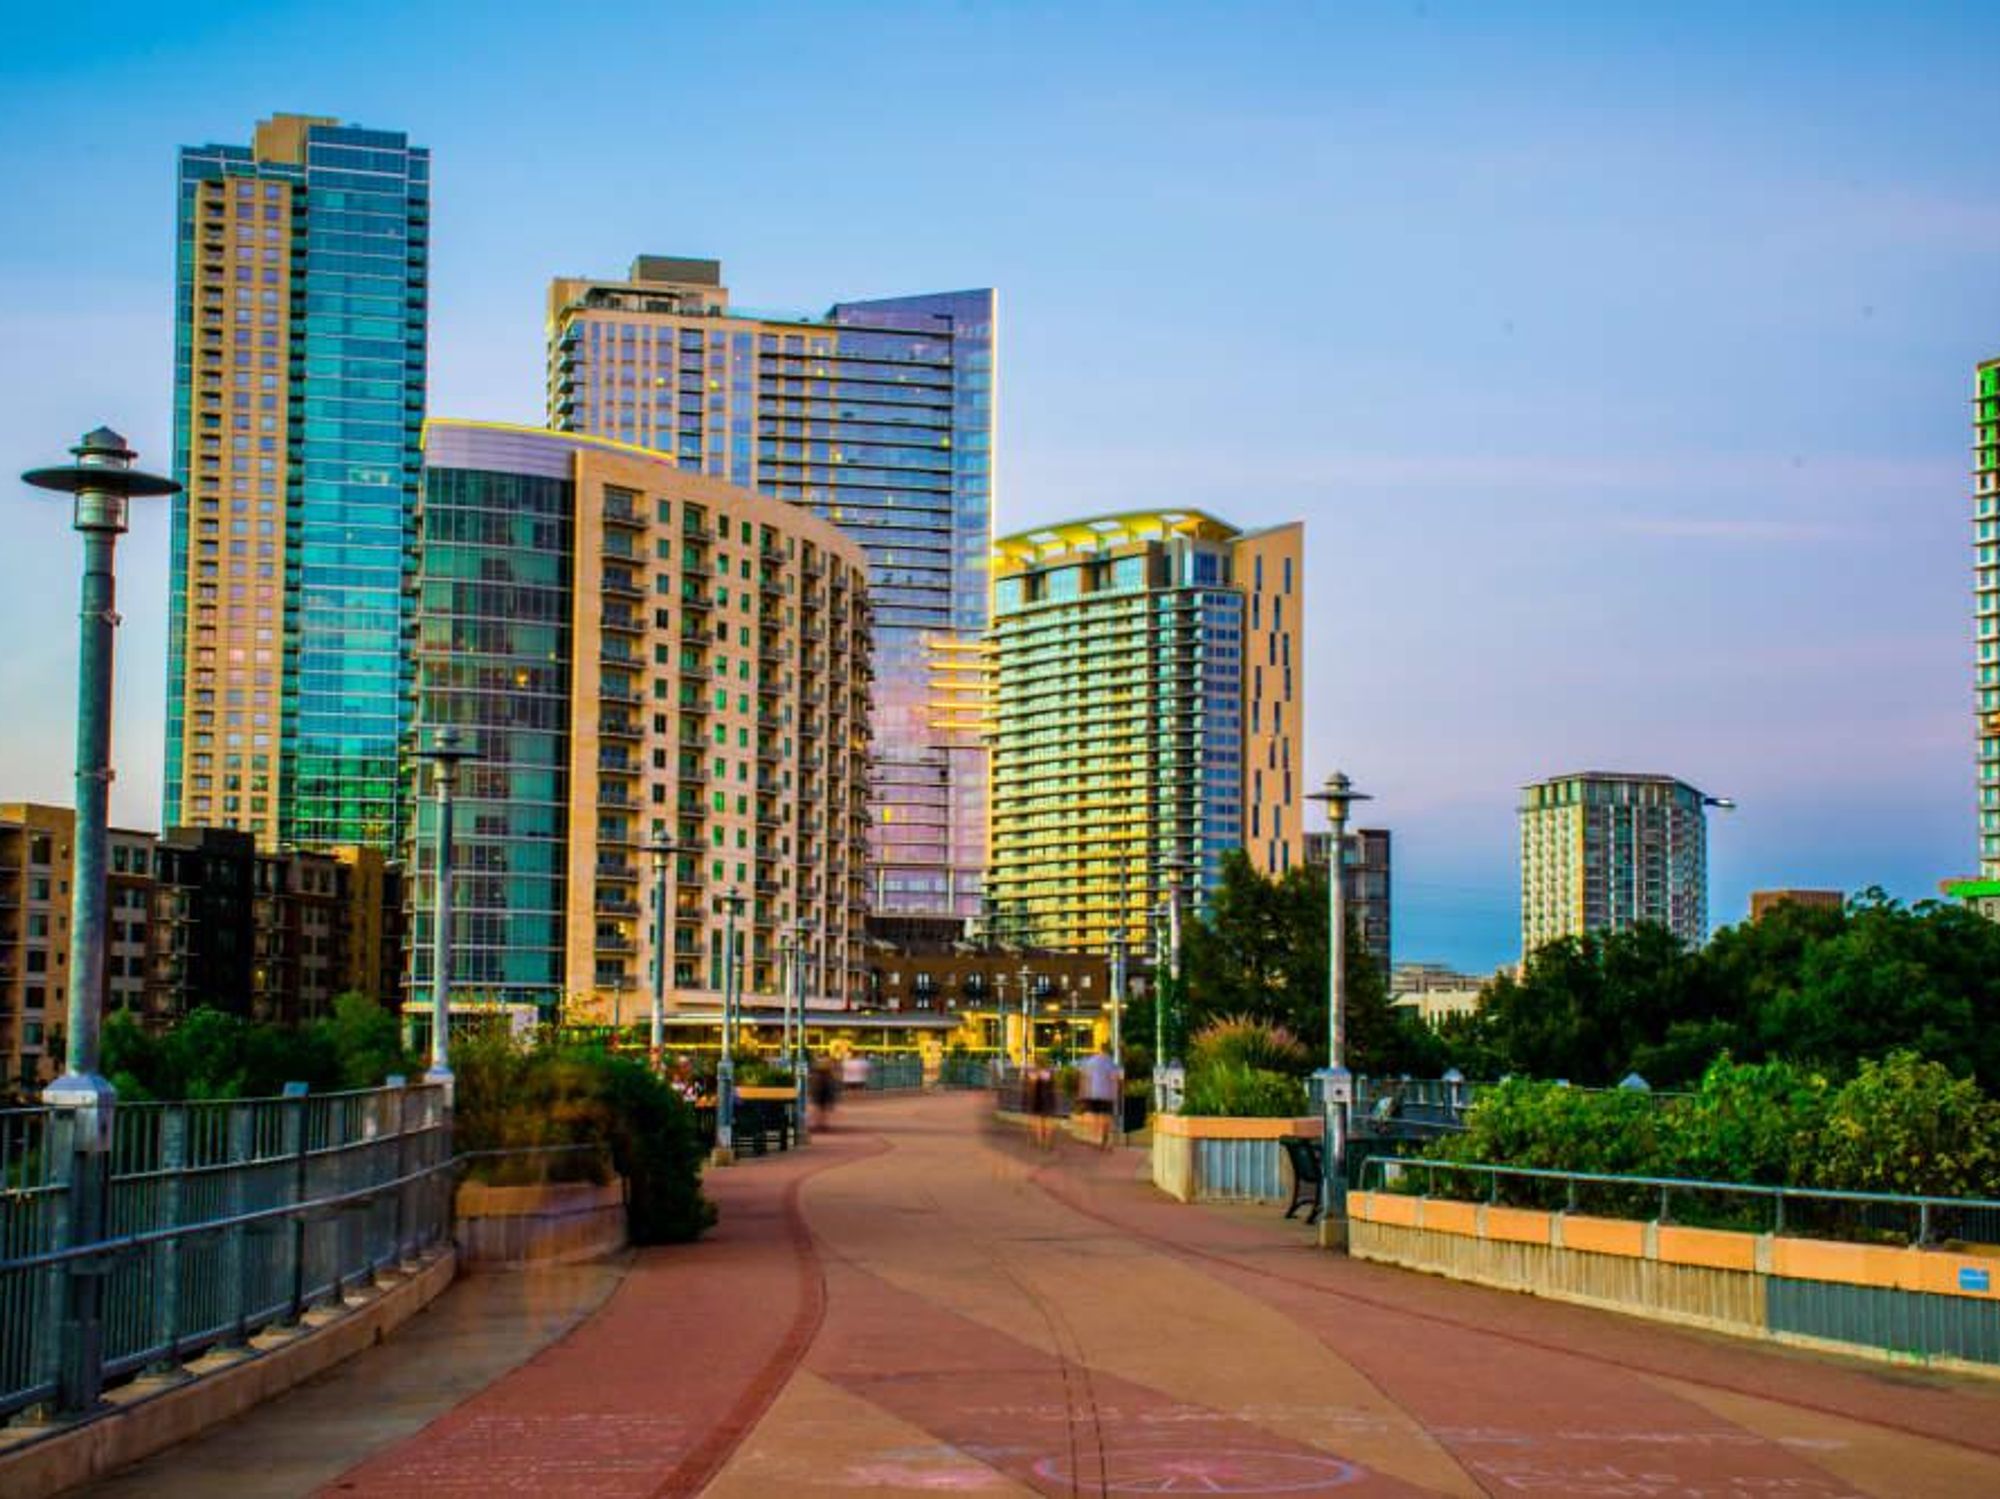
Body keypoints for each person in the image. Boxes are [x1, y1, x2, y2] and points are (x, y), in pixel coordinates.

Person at [1076, 1044, 1122, 1148]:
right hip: (1107, 1094)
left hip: (1093, 1093)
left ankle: (1096, 1136)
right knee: (1105, 1115)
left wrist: (1082, 1093)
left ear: (1100, 1050)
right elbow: (1115, 1079)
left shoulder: (1091, 1061)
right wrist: (1115, 1093)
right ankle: (1103, 1136)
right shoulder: (1111, 1063)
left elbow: (1084, 1077)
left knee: (1094, 1115)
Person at [1027, 1064, 1058, 1149]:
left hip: (1039, 1100)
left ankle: (1042, 1141)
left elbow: (1032, 1083)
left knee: (1040, 1121)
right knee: (1044, 1121)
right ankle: (1044, 1141)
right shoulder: (1047, 1073)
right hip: (1045, 1100)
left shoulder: (1035, 1074)